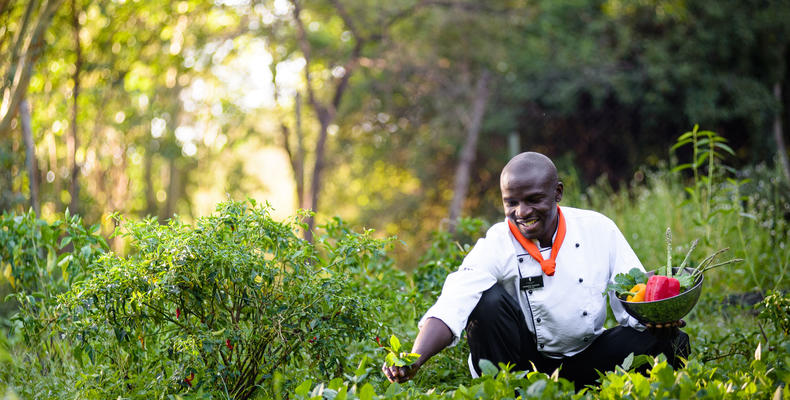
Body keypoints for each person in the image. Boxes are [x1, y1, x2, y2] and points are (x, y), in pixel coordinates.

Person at [382, 152, 689, 387]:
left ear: (557, 192)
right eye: (511, 202)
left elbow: (630, 294)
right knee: (485, 302)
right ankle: (503, 390)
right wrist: (414, 358)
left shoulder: (598, 229)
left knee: (670, 341)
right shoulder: (497, 241)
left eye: (533, 200)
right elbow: (454, 301)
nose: (522, 212)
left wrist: (657, 316)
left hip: (590, 355)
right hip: (525, 362)